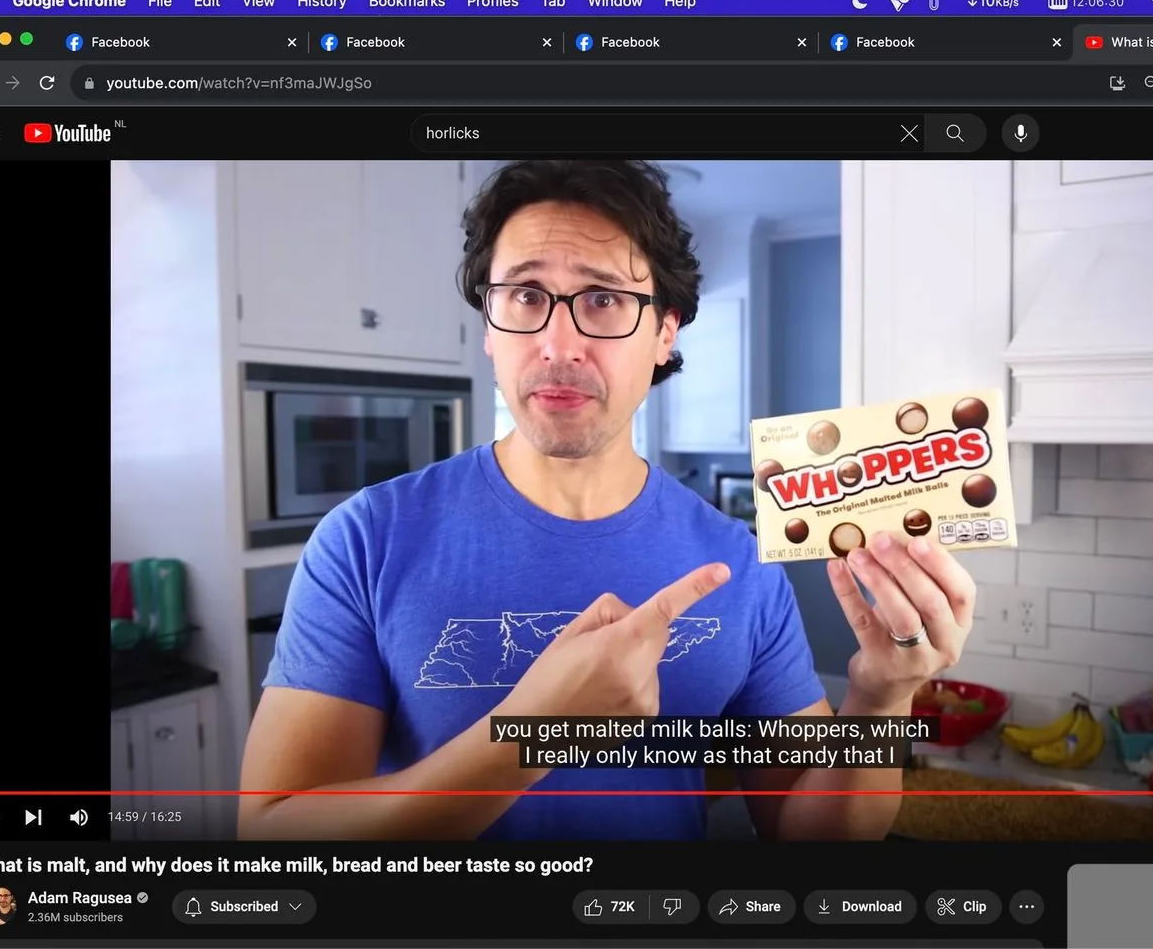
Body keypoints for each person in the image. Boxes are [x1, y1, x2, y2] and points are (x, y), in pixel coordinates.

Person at [239, 160, 977, 842]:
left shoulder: (738, 565)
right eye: (526, 296)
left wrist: (880, 701)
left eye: (603, 299)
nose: (559, 343)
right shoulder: (364, 541)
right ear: (490, 328)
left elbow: (810, 834)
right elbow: (272, 835)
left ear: (663, 333)